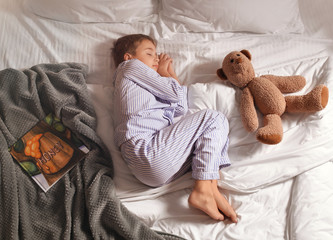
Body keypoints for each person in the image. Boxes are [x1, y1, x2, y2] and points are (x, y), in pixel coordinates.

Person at [112, 34, 238, 223]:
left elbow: (181, 106)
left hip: (154, 169)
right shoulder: (129, 68)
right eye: (149, 53)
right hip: (146, 150)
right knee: (213, 118)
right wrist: (164, 72)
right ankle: (203, 190)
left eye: (156, 54)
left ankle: (210, 187)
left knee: (212, 132)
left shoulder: (146, 86)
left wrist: (170, 74)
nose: (156, 58)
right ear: (128, 57)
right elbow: (174, 92)